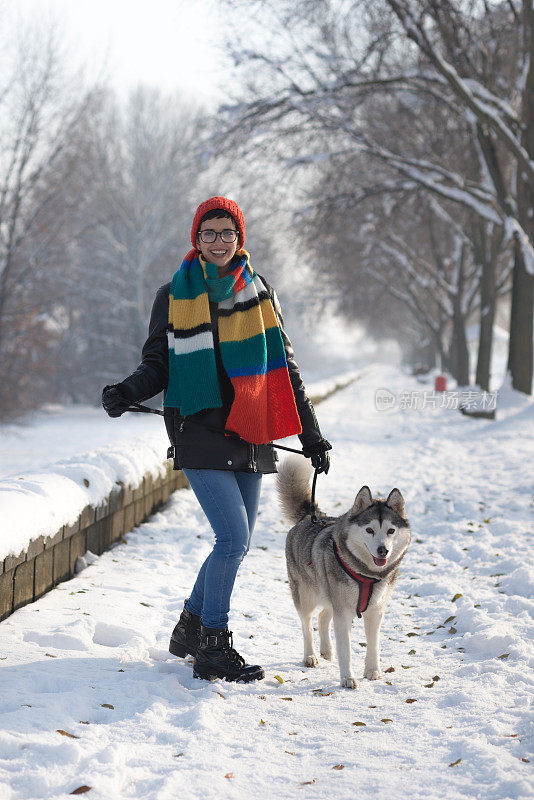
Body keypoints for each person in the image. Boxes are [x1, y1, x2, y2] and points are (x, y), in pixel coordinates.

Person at [102, 196, 331, 683]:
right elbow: (158, 362)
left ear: (239, 237)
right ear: (196, 239)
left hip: (250, 432)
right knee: (232, 540)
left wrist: (310, 434)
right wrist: (127, 390)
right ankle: (213, 645)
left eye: (228, 233)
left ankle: (189, 626)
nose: (219, 242)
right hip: (198, 428)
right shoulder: (173, 294)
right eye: (209, 233)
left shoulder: (260, 291)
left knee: (237, 543)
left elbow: (284, 366)